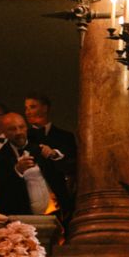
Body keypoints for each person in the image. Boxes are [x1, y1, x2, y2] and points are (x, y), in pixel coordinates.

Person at [23, 94, 77, 225]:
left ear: (45, 108)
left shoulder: (65, 136)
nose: (28, 112)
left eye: (32, 107)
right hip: (29, 202)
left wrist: (54, 154)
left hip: (61, 201)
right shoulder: (23, 138)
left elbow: (73, 163)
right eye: (26, 108)